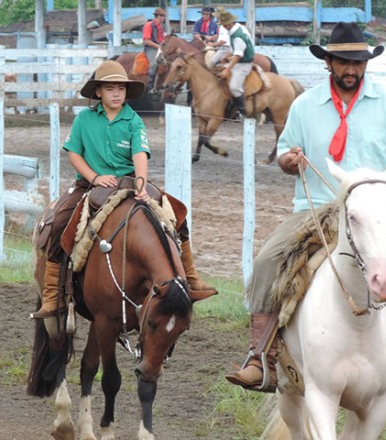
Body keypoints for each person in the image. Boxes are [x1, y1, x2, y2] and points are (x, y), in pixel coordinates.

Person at [224, 22, 386, 400]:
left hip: (374, 212)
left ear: (366, 64)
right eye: (343, 62)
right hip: (315, 208)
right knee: (267, 261)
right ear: (328, 62)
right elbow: (285, 151)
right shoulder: (304, 105)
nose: (351, 69)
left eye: (358, 62)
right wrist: (289, 160)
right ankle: (259, 356)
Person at [30, 60, 217, 320]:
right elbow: (74, 153)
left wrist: (141, 185)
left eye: (121, 89)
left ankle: (191, 278)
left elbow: (140, 153)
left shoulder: (133, 120)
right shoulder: (84, 119)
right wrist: (94, 177)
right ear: (98, 93)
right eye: (110, 89)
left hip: (129, 181)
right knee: (60, 222)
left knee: (176, 214)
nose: (116, 94)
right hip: (89, 183)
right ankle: (52, 294)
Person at [214, 9, 255, 119]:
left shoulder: (237, 36)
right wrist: (226, 55)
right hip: (239, 60)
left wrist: (228, 69)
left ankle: (243, 111)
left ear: (230, 23)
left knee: (234, 87)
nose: (223, 27)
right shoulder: (237, 28)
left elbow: (238, 55)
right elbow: (234, 50)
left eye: (225, 24)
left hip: (243, 64)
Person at [142, 7, 166, 93]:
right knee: (154, 64)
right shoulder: (148, 25)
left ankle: (161, 85)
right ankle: (150, 87)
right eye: (162, 16)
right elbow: (146, 40)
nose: (164, 18)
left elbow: (162, 39)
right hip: (150, 48)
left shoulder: (161, 27)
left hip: (159, 48)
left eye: (164, 16)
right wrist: (158, 46)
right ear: (158, 16)